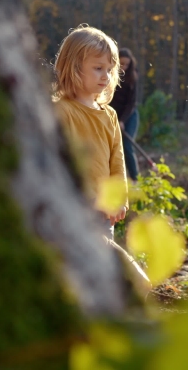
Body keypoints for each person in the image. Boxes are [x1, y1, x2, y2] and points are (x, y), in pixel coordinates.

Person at [52, 24, 128, 231]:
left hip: (104, 214)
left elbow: (117, 161)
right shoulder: (61, 111)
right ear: (74, 66)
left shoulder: (109, 115)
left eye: (110, 70)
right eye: (98, 68)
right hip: (71, 212)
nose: (106, 76)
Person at [110, 48, 140, 181]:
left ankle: (135, 179)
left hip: (129, 116)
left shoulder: (131, 78)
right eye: (121, 64)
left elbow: (131, 104)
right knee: (112, 147)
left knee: (127, 145)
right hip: (112, 117)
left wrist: (122, 120)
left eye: (127, 65)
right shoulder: (108, 77)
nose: (124, 67)